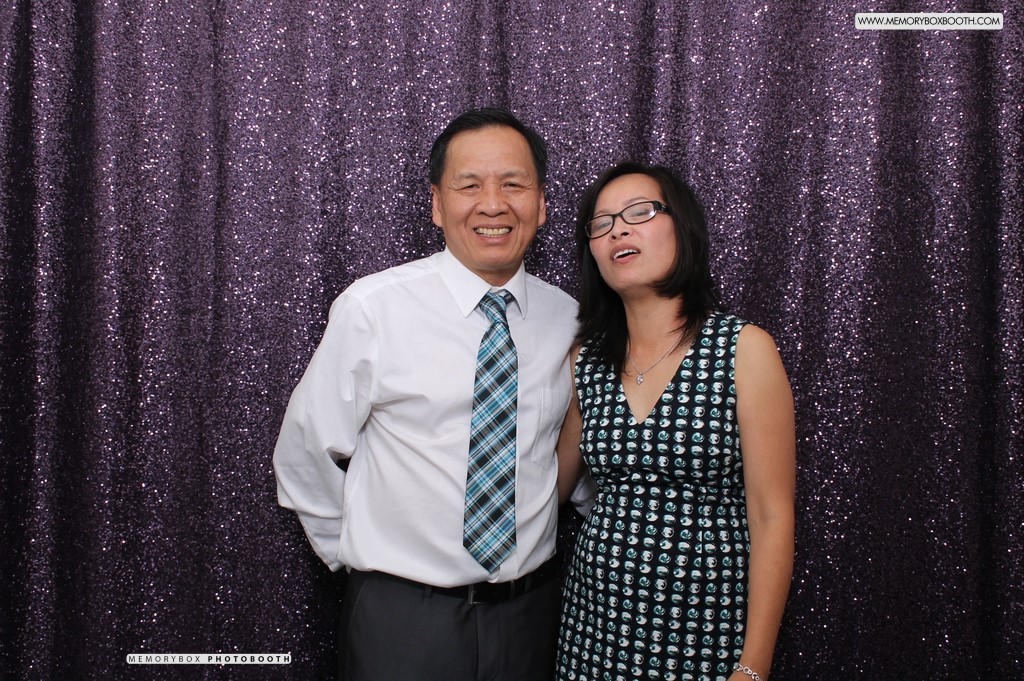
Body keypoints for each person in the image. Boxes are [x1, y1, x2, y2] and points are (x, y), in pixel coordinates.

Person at [273, 108, 578, 681]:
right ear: (437, 205)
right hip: (402, 621)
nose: (493, 204)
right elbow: (305, 451)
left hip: (530, 618)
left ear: (541, 204)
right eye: (470, 185)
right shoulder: (374, 308)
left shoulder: (569, 320)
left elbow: (569, 457)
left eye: (514, 184)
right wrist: (364, 561)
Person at [555, 162, 795, 681]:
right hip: (594, 632)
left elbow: (772, 517)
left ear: (682, 228)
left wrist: (753, 666)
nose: (618, 230)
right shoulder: (586, 359)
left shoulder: (743, 349)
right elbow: (550, 489)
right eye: (601, 223)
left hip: (706, 634)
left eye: (639, 212)